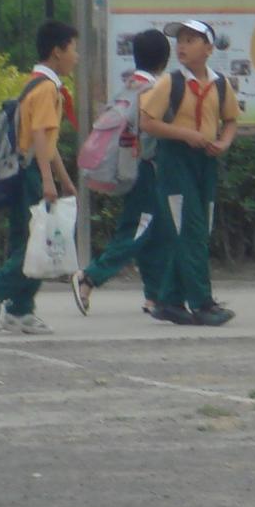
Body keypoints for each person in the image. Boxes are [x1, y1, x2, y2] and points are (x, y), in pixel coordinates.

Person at [0, 19, 78, 336]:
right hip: (31, 172)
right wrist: (48, 181)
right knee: (38, 245)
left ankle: (20, 310)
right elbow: (41, 138)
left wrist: (64, 178)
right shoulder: (46, 89)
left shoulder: (36, 84)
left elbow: (47, 140)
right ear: (57, 52)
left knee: (26, 241)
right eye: (73, 49)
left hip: (24, 168)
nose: (76, 57)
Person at [138, 18, 238, 327]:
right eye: (179, 40)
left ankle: (168, 300)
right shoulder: (170, 82)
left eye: (191, 40)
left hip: (204, 161)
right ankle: (202, 302)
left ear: (209, 48)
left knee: (198, 230)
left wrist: (223, 142)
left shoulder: (220, 83)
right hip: (176, 160)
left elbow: (231, 119)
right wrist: (184, 134)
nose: (181, 46)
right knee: (188, 231)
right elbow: (146, 121)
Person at [69, 28, 173, 317]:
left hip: (127, 167)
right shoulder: (155, 90)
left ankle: (155, 297)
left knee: (156, 232)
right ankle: (89, 277)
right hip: (147, 170)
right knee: (136, 231)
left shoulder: (129, 86)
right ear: (166, 58)